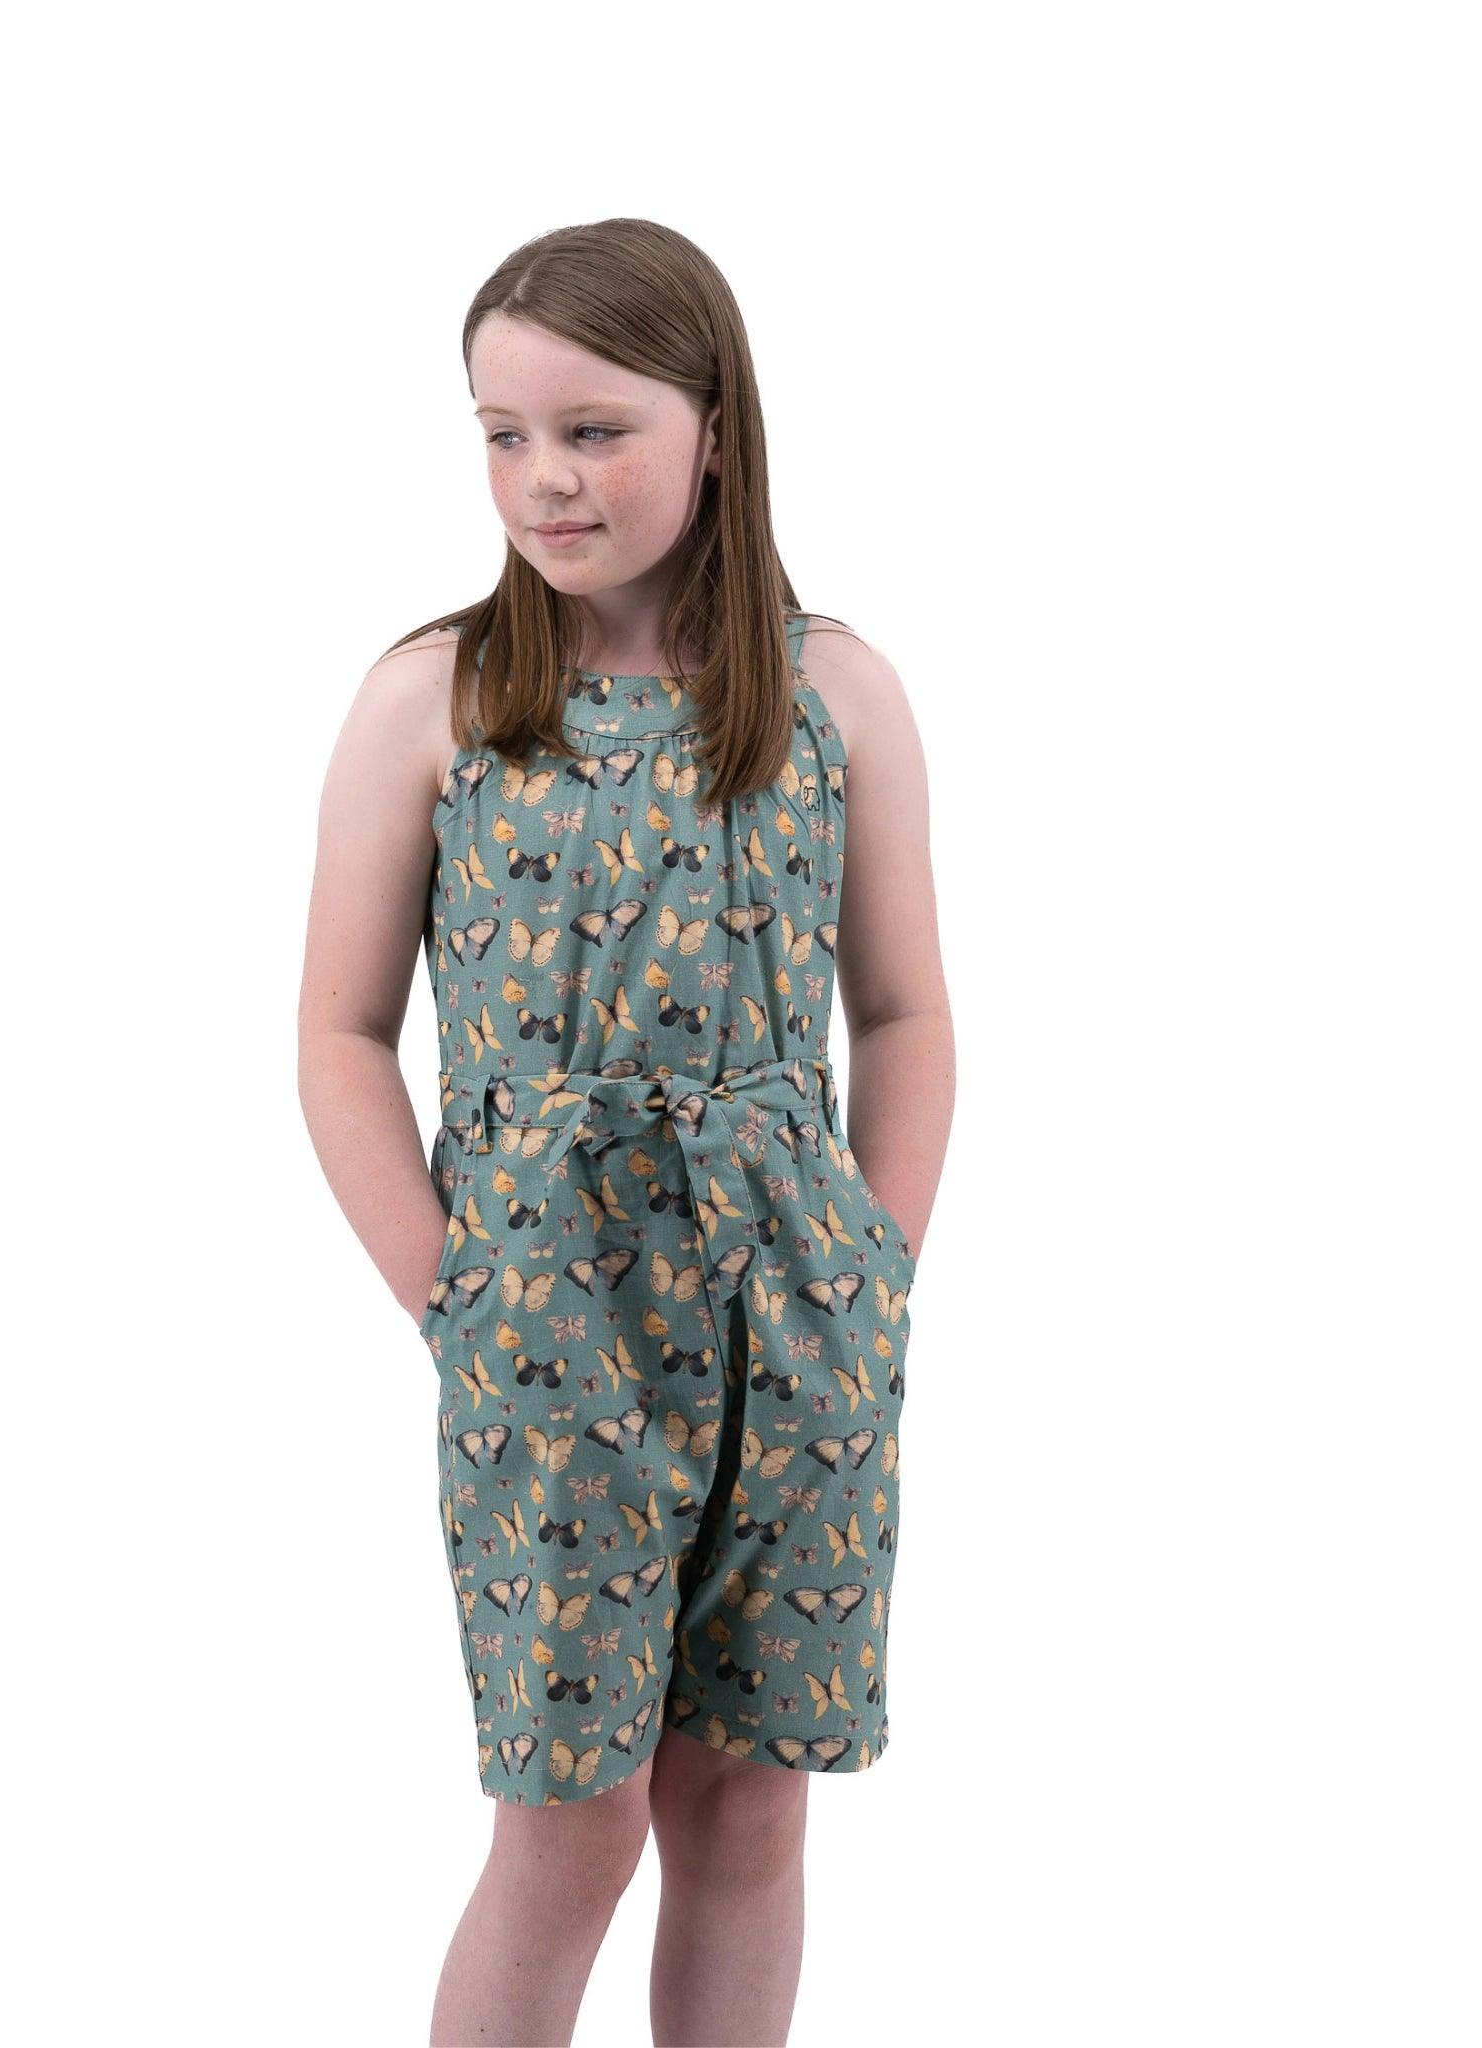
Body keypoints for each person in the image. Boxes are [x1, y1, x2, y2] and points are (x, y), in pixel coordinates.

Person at [298, 218, 954, 2048]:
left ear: (717, 426)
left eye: (593, 429)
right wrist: (456, 1297)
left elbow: (901, 1007)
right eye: (503, 433)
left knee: (749, 1807)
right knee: (567, 1824)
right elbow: (341, 1031)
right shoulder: (434, 698)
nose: (543, 478)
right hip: (541, 1329)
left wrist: (874, 1271)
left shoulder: (837, 693)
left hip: (799, 1328)